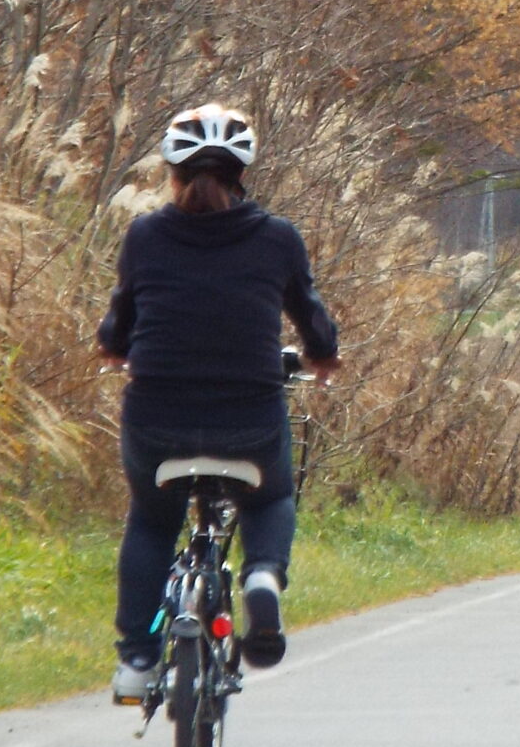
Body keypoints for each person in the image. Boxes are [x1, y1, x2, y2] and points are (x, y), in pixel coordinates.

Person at [97, 104, 339, 704]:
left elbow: (117, 328)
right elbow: (315, 326)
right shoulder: (277, 239)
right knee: (272, 495)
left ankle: (135, 659)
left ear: (173, 173)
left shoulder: (145, 235)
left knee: (153, 520)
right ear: (242, 175)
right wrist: (320, 358)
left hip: (157, 418)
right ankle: (261, 576)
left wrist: (115, 350)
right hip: (247, 420)